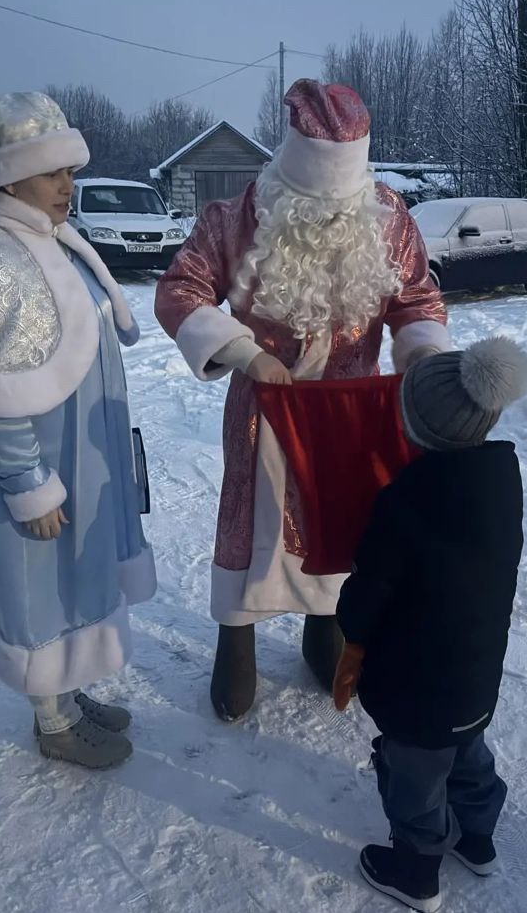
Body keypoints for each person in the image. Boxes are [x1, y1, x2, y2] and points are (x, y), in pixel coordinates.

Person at [155, 79, 450, 721]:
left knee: (339, 520)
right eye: (318, 200)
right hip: (266, 409)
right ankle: (236, 638)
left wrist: (423, 353)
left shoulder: (388, 218)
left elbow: (416, 299)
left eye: (340, 201)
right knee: (250, 520)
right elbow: (181, 290)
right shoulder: (235, 218)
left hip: (348, 414)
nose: (330, 214)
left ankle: (326, 625)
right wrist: (244, 353)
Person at [0, 92, 156, 768]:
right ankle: (53, 721)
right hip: (45, 465)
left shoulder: (51, 241)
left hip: (82, 452)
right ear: (9, 178)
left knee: (79, 579)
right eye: (52, 172)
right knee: (41, 585)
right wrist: (29, 486)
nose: (67, 186)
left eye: (70, 171)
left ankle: (71, 689)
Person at [332, 337, 527, 913]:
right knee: (468, 753)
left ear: (418, 428)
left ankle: (417, 870)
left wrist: (351, 630)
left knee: (415, 774)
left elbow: (371, 589)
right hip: (477, 671)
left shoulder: (405, 501)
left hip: (416, 685)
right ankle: (478, 840)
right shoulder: (502, 479)